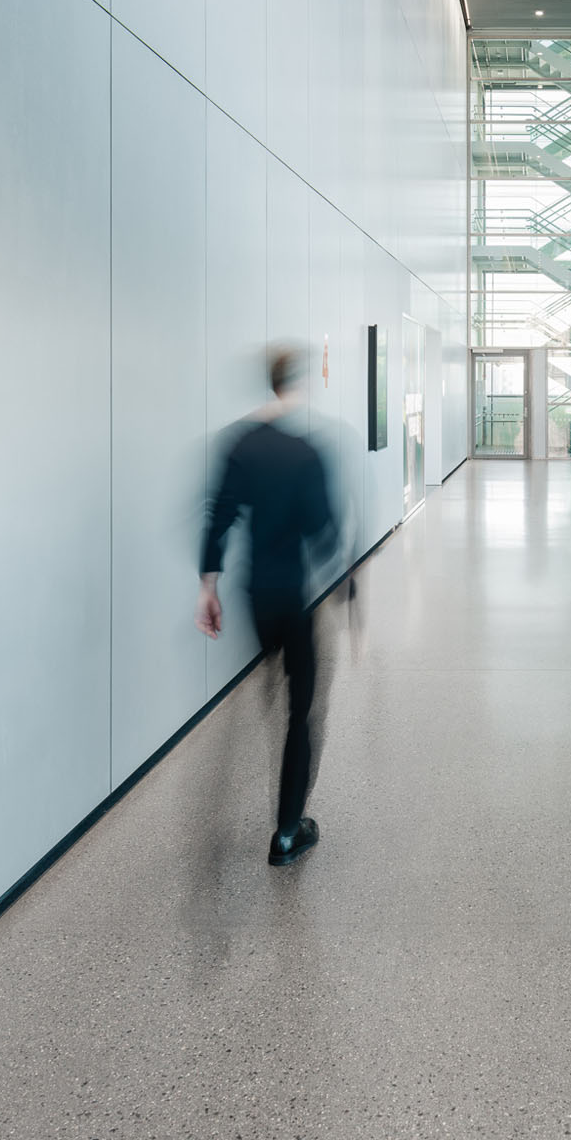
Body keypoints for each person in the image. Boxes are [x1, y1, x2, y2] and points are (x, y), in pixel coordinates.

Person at [197, 346, 338, 866]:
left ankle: (271, 682)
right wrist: (346, 588)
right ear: (298, 387)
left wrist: (206, 587)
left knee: (278, 680)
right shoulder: (306, 453)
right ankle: (286, 833)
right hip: (294, 598)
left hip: (255, 597)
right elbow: (324, 531)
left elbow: (219, 516)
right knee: (301, 714)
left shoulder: (240, 445)